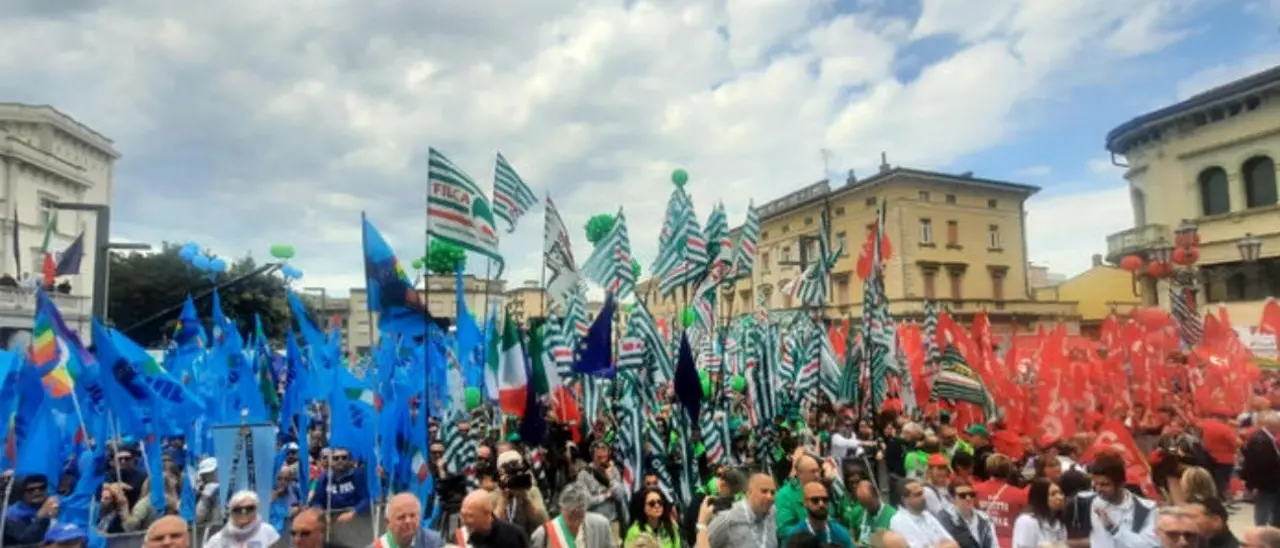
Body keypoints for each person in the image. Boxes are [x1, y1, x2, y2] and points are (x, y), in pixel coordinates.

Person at [1088, 454, 1159, 548]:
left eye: (1104, 484)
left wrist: (1114, 530)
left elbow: (1150, 544)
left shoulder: (1146, 509)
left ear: (1121, 484)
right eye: (1095, 483)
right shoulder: (1089, 503)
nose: (1098, 489)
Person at [702, 472, 778, 548]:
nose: (769, 497)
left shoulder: (772, 514)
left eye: (772, 492)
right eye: (764, 491)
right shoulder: (727, 519)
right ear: (749, 492)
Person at [531, 484, 613, 548]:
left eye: (580, 516)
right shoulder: (542, 535)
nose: (576, 523)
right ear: (562, 507)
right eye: (571, 517)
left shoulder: (601, 525)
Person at [973, 454, 1026, 548]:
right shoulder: (1019, 494)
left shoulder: (975, 491)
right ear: (1009, 471)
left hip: (982, 540)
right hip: (1008, 542)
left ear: (988, 469)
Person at [309, 447, 371, 523]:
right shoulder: (324, 477)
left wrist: (352, 513)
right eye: (336, 458)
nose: (340, 460)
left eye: (344, 458)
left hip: (355, 519)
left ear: (350, 461)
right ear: (331, 461)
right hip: (331, 521)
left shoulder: (357, 475)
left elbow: (365, 499)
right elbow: (316, 501)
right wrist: (321, 513)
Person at [784, 481, 854, 547]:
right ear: (805, 502)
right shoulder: (796, 535)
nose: (821, 504)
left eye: (825, 500)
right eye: (815, 500)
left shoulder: (841, 534)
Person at [888, 480, 956, 548]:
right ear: (904, 500)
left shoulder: (927, 515)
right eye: (918, 495)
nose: (923, 497)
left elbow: (952, 543)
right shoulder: (899, 521)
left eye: (923, 493)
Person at [204, 490, 281, 548]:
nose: (244, 512)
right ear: (231, 512)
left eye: (249, 508)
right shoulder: (218, 539)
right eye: (238, 509)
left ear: (256, 509)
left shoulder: (268, 531)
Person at [934, 479, 997, 548]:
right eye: (962, 495)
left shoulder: (984, 518)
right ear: (952, 498)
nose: (968, 498)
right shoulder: (943, 519)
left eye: (971, 494)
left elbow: (994, 545)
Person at [1242, 412, 1280, 526]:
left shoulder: (1266, 438)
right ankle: (1261, 533)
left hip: (1272, 482)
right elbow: (1258, 464)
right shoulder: (1260, 440)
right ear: (1272, 425)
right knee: (1263, 510)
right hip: (1267, 483)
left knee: (1273, 509)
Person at [458, 489, 531, 547]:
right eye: (462, 515)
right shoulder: (460, 536)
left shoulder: (513, 535)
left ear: (487, 513)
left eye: (470, 516)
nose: (464, 521)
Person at [371, 493, 445, 548]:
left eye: (412, 515)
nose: (408, 521)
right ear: (388, 522)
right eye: (401, 517)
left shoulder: (433, 542)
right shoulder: (379, 546)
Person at [3, 474, 59, 545]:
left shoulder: (53, 503)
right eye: (31, 490)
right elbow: (26, 539)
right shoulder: (11, 514)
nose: (37, 492)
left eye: (42, 488)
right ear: (22, 493)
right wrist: (41, 517)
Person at [777, 452, 823, 537]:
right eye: (812, 471)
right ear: (800, 474)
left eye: (818, 470)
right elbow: (783, 529)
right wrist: (811, 529)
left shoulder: (822, 490)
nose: (817, 475)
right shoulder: (784, 495)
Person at [1012, 477, 1066, 548]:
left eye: (1060, 493)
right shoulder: (1027, 521)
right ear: (1041, 497)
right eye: (1053, 494)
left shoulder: (1058, 522)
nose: (1060, 497)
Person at [850, 479, 895, 545]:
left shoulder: (893, 516)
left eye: (870, 504)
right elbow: (852, 537)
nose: (867, 508)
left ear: (877, 494)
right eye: (863, 504)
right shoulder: (857, 512)